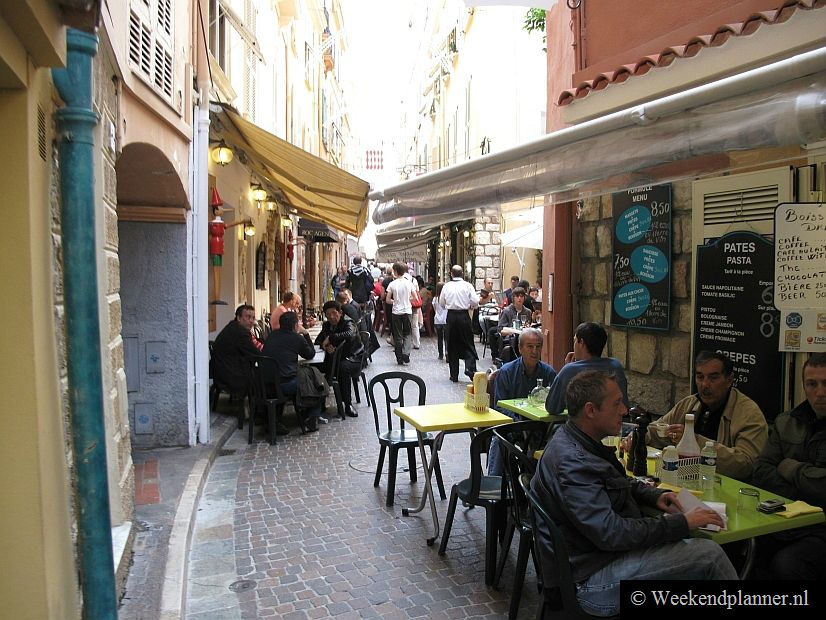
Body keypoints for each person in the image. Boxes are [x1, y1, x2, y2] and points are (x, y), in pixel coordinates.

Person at [532, 371, 737, 616]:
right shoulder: (573, 463)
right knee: (709, 555)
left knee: (692, 547)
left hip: (589, 563)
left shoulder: (576, 440)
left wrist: (654, 496)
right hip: (590, 583)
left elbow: (614, 482)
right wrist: (681, 522)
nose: (625, 410)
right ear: (590, 410)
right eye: (617, 403)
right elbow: (611, 533)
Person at [751, 352, 826, 580]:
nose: (820, 392)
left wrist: (792, 469)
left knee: (788, 565)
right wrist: (805, 495)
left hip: (822, 529)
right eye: (812, 384)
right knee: (741, 547)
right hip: (784, 519)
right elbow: (761, 471)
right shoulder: (786, 422)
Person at [646, 350, 767, 481]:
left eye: (713, 378)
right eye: (700, 377)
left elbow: (747, 465)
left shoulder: (749, 413)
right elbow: (657, 430)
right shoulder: (690, 404)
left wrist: (695, 442)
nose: (705, 384)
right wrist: (638, 436)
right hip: (686, 481)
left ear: (729, 380)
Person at [487, 328, 557, 475]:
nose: (534, 351)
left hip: (540, 428)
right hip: (514, 426)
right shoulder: (506, 372)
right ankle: (495, 484)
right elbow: (499, 406)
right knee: (499, 438)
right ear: (520, 348)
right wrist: (519, 424)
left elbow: (554, 403)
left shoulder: (548, 373)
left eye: (538, 346)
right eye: (530, 346)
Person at [544, 322, 629, 415]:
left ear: (581, 343)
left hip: (583, 428)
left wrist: (567, 368)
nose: (574, 345)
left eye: (575, 341)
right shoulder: (615, 365)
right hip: (612, 425)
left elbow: (552, 407)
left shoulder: (569, 370)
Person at [261, 312, 323, 432]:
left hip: (265, 384)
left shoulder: (272, 335)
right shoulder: (296, 338)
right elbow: (310, 354)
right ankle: (312, 416)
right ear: (295, 325)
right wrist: (305, 334)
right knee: (315, 382)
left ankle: (276, 421)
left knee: (305, 376)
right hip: (284, 385)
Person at [314, 300, 363, 418]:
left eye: (334, 313)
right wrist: (326, 346)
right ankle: (317, 403)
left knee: (342, 368)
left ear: (340, 312)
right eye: (328, 314)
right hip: (334, 358)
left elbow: (349, 334)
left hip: (352, 357)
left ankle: (347, 404)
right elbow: (318, 341)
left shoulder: (348, 322)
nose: (331, 316)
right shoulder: (327, 325)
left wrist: (331, 338)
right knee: (313, 368)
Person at [439, 265, 480, 382]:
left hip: (451, 317)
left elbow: (441, 303)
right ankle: (470, 368)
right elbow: (475, 301)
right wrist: (471, 305)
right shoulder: (468, 286)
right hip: (463, 316)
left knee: (452, 344)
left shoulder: (447, 286)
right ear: (462, 274)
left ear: (451, 274)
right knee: (468, 342)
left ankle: (454, 374)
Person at [212, 304, 262, 398]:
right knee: (265, 376)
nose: (251, 321)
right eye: (248, 317)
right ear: (238, 318)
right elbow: (257, 354)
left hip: (221, 372)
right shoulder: (241, 333)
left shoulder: (232, 327)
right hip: (231, 375)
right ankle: (260, 409)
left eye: (253, 318)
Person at [384, 262, 417, 365]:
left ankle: (399, 358)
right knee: (407, 333)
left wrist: (395, 301)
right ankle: (406, 353)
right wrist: (407, 299)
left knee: (397, 335)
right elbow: (415, 297)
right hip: (407, 311)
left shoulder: (392, 284)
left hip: (396, 312)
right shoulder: (409, 283)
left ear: (396, 272)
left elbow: (387, 300)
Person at [491, 286, 533, 361]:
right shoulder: (507, 311)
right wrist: (512, 331)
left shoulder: (528, 312)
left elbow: (528, 325)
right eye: (517, 296)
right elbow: (500, 330)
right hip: (510, 339)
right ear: (513, 298)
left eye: (521, 296)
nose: (519, 298)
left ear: (524, 298)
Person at [432, 282, 448, 361]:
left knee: (439, 338)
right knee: (447, 338)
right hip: (445, 320)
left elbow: (434, 309)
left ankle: (440, 354)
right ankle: (447, 352)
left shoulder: (435, 299)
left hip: (437, 320)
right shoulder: (446, 298)